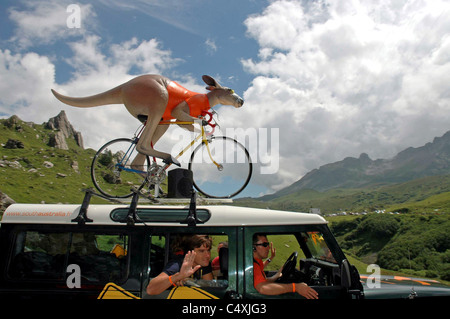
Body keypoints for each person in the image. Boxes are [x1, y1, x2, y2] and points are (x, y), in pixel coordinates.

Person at [253, 233, 319, 299]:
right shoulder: (254, 266)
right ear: (253, 247)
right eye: (265, 245)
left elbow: (264, 281)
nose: (269, 248)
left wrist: (276, 275)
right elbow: (262, 288)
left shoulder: (257, 262)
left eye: (268, 244)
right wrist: (295, 287)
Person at [146, 234, 213, 295]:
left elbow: (210, 289)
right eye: (201, 251)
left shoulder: (203, 264)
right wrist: (178, 277)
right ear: (190, 252)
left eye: (208, 250)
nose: (207, 255)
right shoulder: (177, 265)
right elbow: (150, 290)